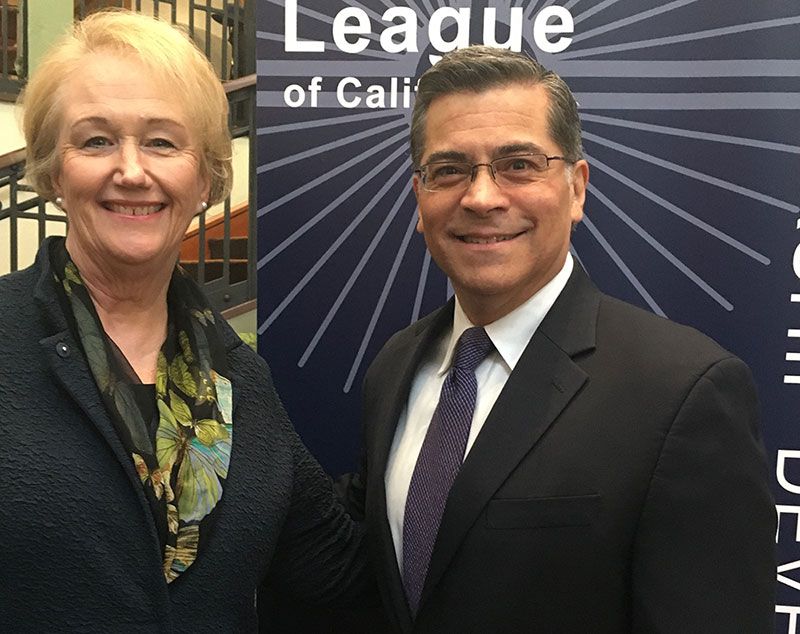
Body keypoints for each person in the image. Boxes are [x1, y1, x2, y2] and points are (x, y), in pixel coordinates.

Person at [343, 46, 776, 633]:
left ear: (576, 188)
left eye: (518, 164)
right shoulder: (395, 367)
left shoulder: (684, 393)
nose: (481, 197)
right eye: (448, 170)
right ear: (419, 198)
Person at [0, 10, 367, 632]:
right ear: (54, 173)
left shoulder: (241, 381)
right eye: (95, 140)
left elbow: (333, 571)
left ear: (207, 178)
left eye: (163, 141)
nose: (132, 170)